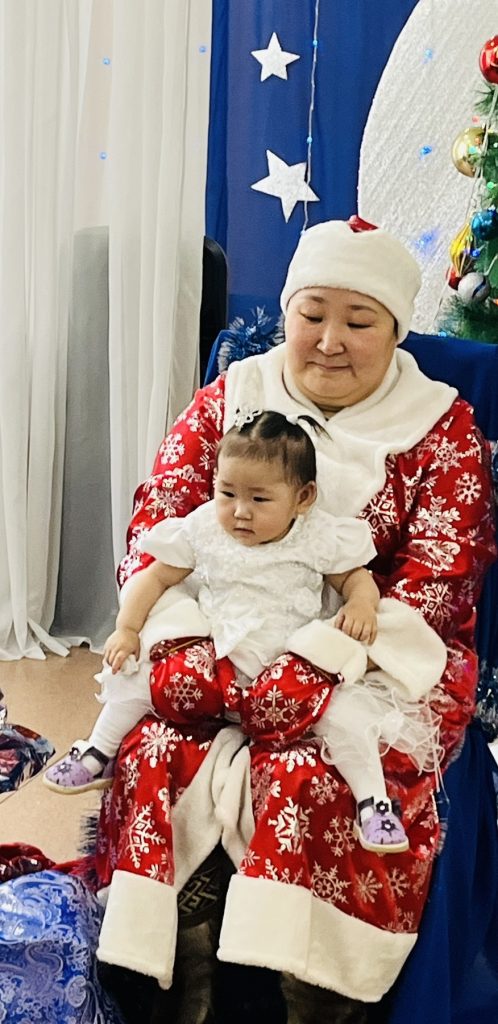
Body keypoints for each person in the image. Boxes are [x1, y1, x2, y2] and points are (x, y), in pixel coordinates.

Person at [92, 218, 496, 1023]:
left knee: (318, 773)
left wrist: (316, 664)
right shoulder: (234, 395)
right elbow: (162, 520)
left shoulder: (440, 425)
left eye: (359, 321)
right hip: (216, 637)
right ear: (289, 313)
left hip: (367, 659)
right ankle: (179, 976)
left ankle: (310, 993)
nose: (330, 341)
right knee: (158, 749)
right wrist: (186, 644)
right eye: (313, 315)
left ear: (396, 329)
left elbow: (441, 577)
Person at [46, 410, 420, 854]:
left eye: (260, 499)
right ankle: (98, 750)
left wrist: (360, 604)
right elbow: (155, 577)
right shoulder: (205, 527)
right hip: (216, 659)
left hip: (284, 669)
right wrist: (127, 629)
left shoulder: (316, 535)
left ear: (303, 497)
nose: (240, 511)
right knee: (138, 678)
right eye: (227, 493)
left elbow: (355, 579)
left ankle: (373, 802)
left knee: (346, 717)